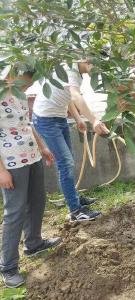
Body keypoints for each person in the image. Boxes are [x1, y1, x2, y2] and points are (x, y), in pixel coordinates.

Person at [0, 69, 61, 288]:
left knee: (37, 201)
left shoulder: (20, 95)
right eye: (24, 84)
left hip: (32, 156)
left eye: (28, 85)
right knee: (15, 212)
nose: (27, 88)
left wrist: (42, 146)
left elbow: (27, 124)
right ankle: (8, 268)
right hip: (11, 162)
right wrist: (1, 171)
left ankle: (33, 243)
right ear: (10, 76)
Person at [32, 60, 109, 222]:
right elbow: (75, 95)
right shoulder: (70, 70)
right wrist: (94, 120)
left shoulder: (76, 71)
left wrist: (77, 118)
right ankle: (75, 211)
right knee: (65, 163)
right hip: (46, 120)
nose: (97, 70)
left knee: (68, 162)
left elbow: (67, 96)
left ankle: (74, 198)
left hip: (58, 118)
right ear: (87, 60)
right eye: (97, 64)